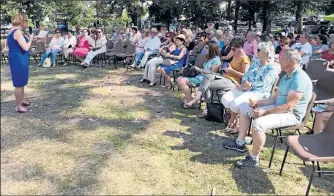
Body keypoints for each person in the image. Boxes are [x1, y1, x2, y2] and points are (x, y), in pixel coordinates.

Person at [224, 49, 312, 168]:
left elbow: (289, 106)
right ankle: (240, 142)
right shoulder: (287, 76)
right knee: (245, 106)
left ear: (291, 61)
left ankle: (254, 158)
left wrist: (265, 112)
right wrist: (258, 102)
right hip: (278, 108)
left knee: (258, 124)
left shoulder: (299, 78)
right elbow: (274, 99)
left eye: (282, 58)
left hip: (291, 114)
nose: (278, 60)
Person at [221, 42, 278, 134]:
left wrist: (250, 85)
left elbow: (264, 84)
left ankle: (233, 121)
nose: (256, 52)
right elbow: (246, 75)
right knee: (225, 98)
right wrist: (245, 83)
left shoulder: (272, 68)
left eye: (258, 50)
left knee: (235, 103)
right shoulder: (256, 63)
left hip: (259, 92)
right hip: (246, 88)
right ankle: (236, 119)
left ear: (265, 53)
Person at [192, 38, 251, 117]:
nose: (232, 51)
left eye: (233, 49)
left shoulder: (244, 59)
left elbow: (245, 76)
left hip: (232, 81)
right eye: (231, 49)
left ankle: (202, 103)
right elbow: (226, 58)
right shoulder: (235, 54)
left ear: (240, 47)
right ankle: (204, 105)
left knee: (206, 85)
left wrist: (231, 70)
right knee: (208, 76)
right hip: (225, 77)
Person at [178, 41, 221, 108]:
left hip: (206, 79)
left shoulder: (216, 60)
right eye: (205, 48)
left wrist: (199, 70)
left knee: (182, 81)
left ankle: (191, 102)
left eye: (207, 48)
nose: (205, 49)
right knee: (179, 79)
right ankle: (191, 101)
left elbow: (212, 73)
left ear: (212, 49)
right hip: (200, 76)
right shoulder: (209, 58)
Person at [7, 13, 34, 113]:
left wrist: (28, 39)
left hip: (20, 57)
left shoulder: (13, 31)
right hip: (18, 58)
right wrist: (30, 39)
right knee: (18, 82)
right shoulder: (17, 32)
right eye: (25, 21)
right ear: (22, 21)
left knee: (22, 80)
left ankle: (22, 100)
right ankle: (18, 106)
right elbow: (26, 47)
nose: (26, 23)